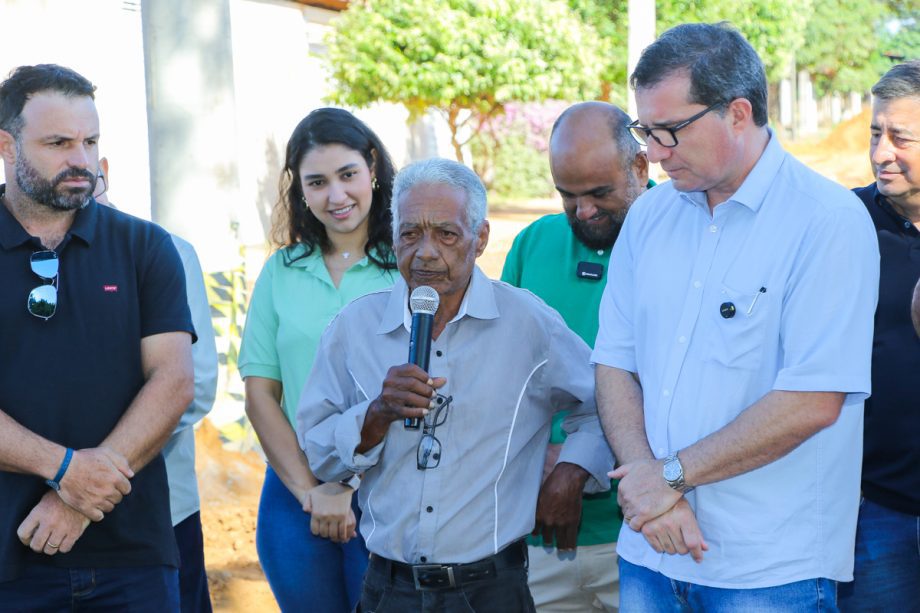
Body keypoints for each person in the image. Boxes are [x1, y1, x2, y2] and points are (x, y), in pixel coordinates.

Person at [592, 23, 879, 610]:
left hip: (770, 569)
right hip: (651, 549)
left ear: (739, 113)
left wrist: (667, 478)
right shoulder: (649, 218)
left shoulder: (827, 221)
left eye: (669, 131)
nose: (652, 152)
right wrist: (651, 483)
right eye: (644, 131)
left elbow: (812, 398)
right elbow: (614, 363)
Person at [298, 157, 614, 613]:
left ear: (480, 239)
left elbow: (605, 404)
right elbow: (320, 453)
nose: (425, 253)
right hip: (389, 589)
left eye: (446, 234)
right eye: (410, 234)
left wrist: (572, 471)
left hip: (492, 590)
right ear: (393, 237)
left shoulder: (526, 324)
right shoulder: (354, 328)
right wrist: (376, 416)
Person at [0, 64, 195, 609]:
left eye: (89, 141)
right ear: (6, 146)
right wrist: (65, 471)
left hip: (132, 559)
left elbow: (174, 380)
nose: (81, 160)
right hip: (6, 564)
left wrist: (80, 498)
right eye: (58, 143)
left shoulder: (145, 247)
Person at [238, 107, 398, 612]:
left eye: (347, 174)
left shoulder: (412, 264)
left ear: (372, 166)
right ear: (300, 189)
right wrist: (313, 491)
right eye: (318, 182)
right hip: (293, 494)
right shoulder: (281, 272)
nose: (337, 196)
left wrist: (348, 486)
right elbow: (261, 393)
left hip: (391, 490)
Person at [501, 101, 651, 613]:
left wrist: (575, 463)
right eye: (568, 195)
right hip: (538, 536)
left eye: (599, 194)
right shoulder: (533, 242)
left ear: (639, 168)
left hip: (645, 536)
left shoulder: (683, 238)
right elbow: (506, 374)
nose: (583, 211)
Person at [96, 157, 219, 612]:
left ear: (103, 166)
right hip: (42, 508)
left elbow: (197, 383)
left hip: (162, 511)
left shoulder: (165, 250)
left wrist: (93, 464)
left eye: (84, 146)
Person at [839, 60, 920, 611]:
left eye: (900, 137)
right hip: (875, 507)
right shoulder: (844, 223)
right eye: (875, 133)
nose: (881, 152)